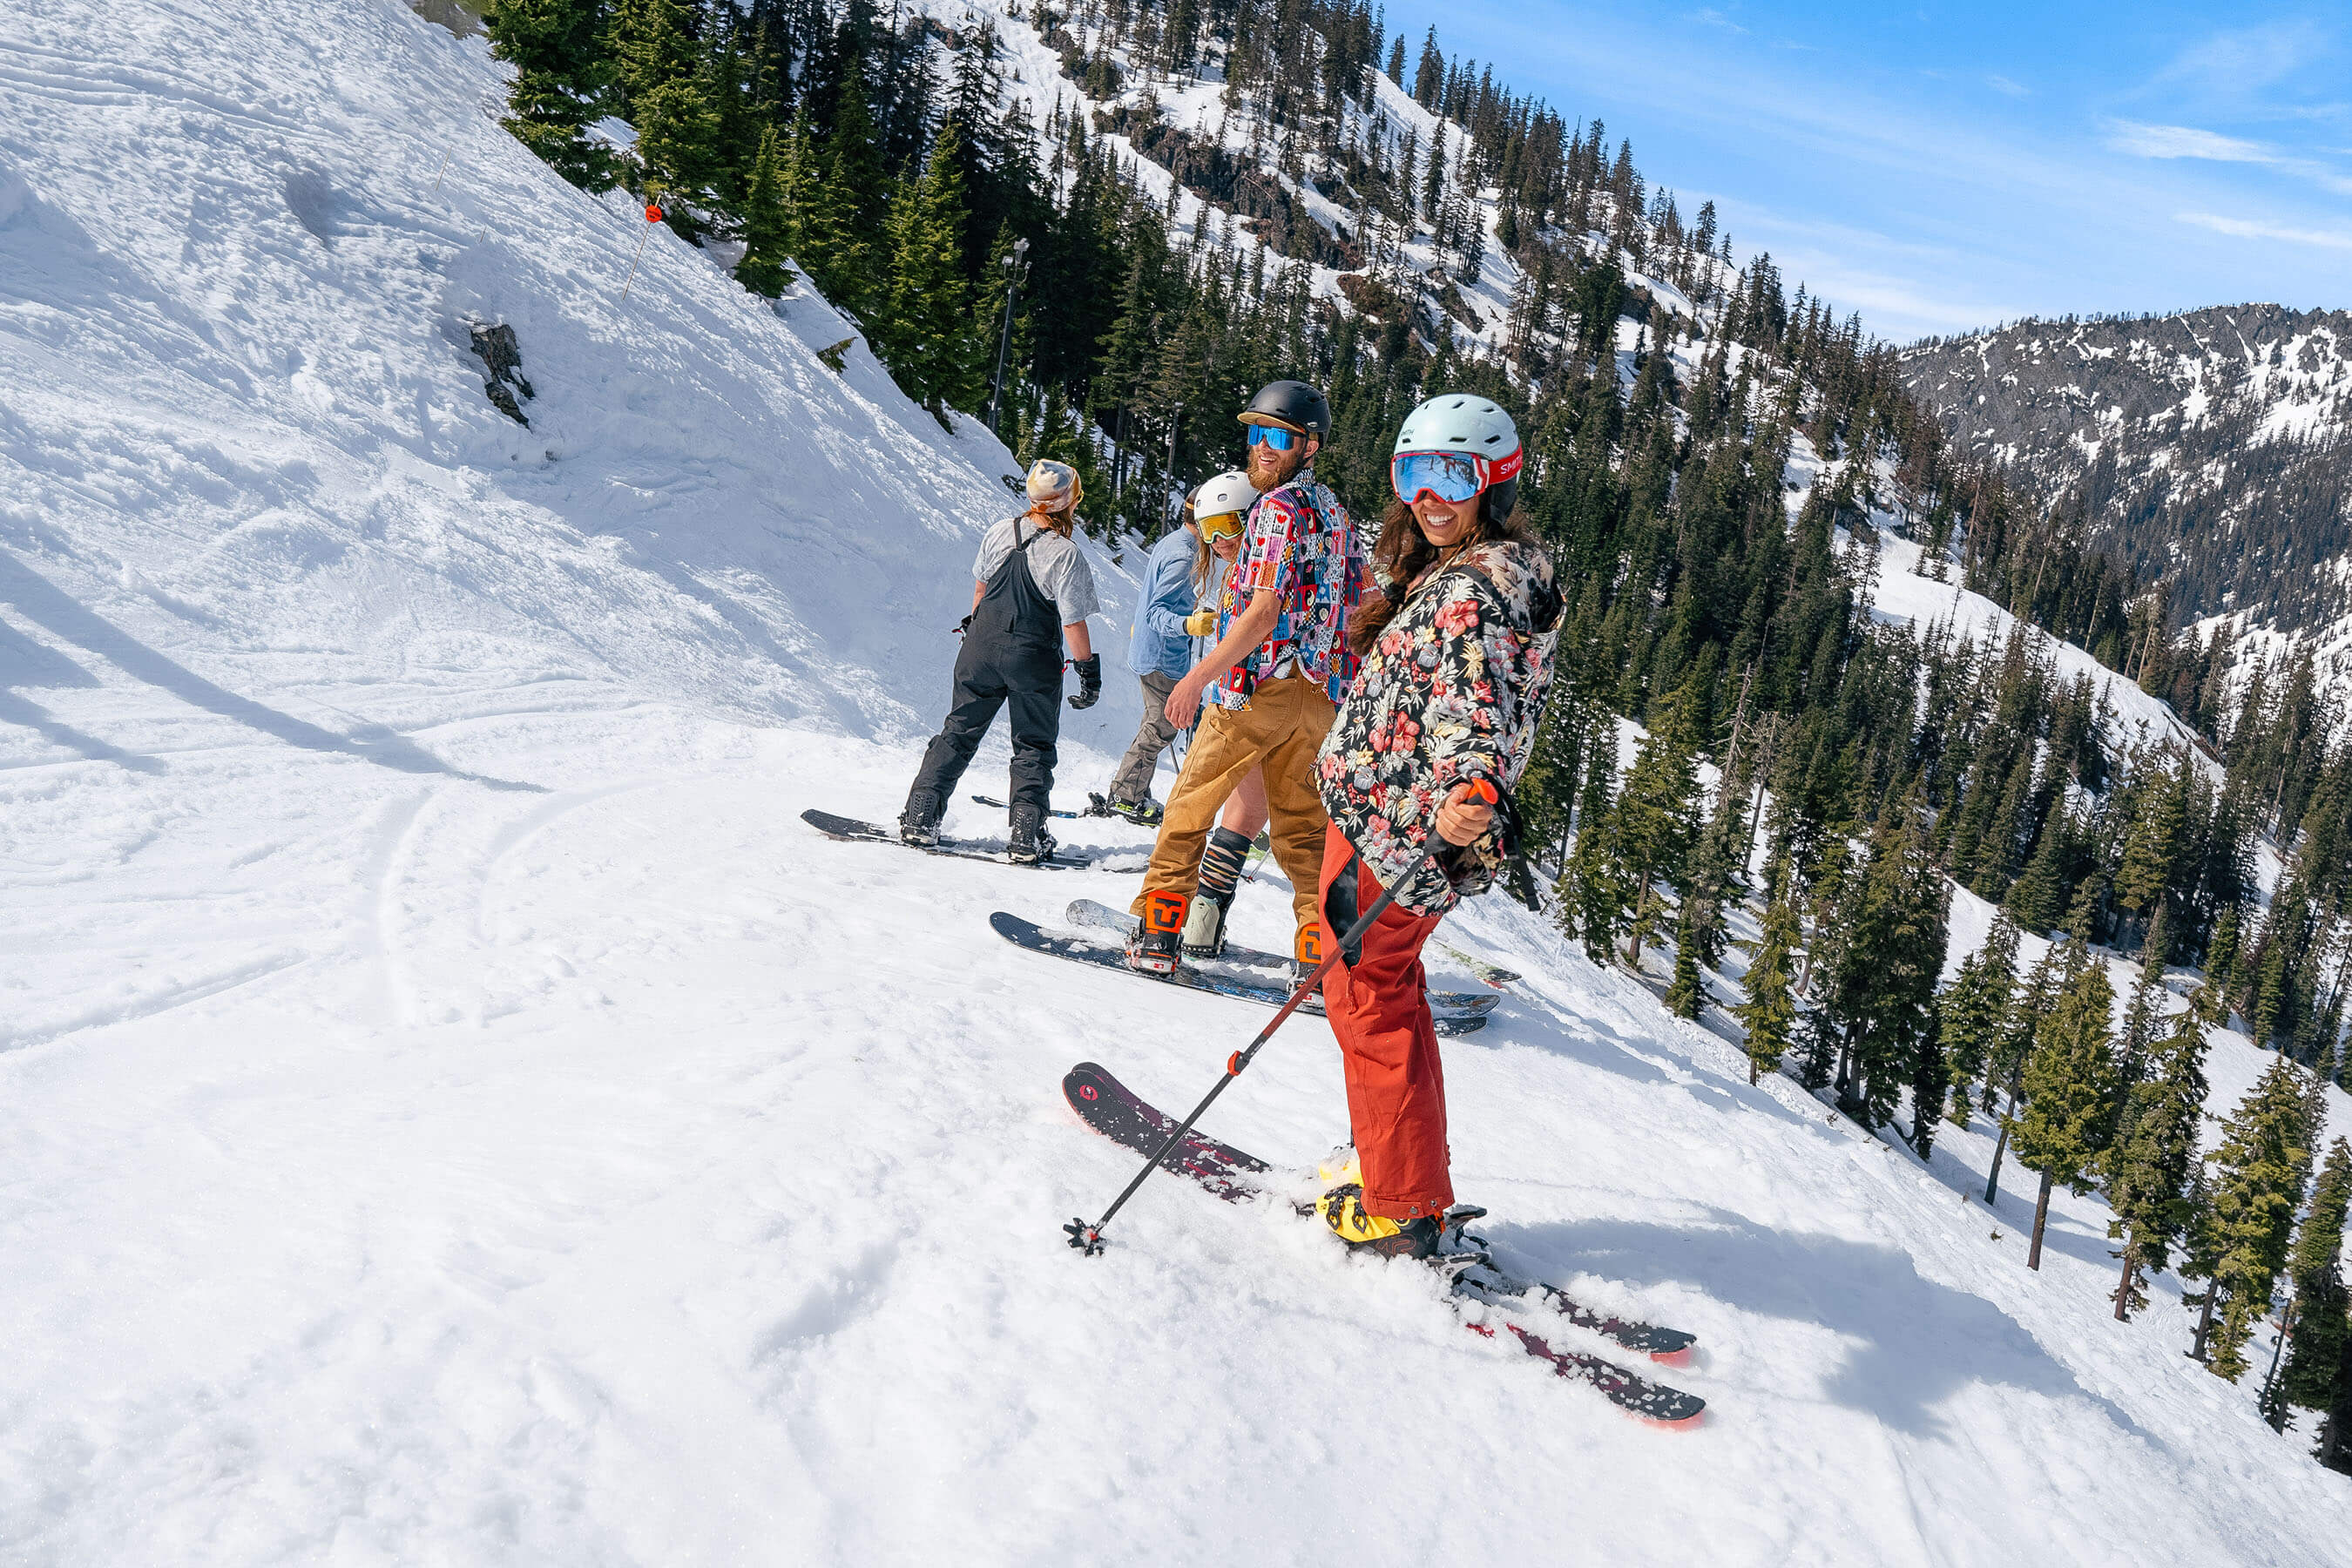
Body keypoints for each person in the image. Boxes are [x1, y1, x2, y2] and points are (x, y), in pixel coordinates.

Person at [1310, 394, 1563, 1258]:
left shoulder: (1470, 595)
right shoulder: (1479, 571)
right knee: (1389, 987)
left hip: (1398, 835)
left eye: (1452, 474)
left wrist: (1470, 782)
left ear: (1491, 480)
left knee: (1363, 996)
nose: (1430, 493)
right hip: (1410, 833)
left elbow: (1471, 699)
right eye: (1413, 472)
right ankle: (1402, 1171)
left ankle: (1397, 1210)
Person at [1126, 380, 1362, 976]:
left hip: (1257, 691)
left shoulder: (1273, 511)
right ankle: (1319, 958)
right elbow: (1363, 601)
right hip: (1318, 698)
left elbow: (1262, 613)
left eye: (1278, 438)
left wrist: (1197, 678)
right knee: (1305, 834)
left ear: (1310, 446)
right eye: (1257, 434)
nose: (1262, 447)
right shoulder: (1335, 512)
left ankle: (1159, 935)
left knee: (1188, 807)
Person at [901, 460, 1102, 863]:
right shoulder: (1065, 554)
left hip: (979, 647)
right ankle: (1026, 834)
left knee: (958, 730)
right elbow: (1072, 621)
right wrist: (1088, 671)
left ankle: (920, 816)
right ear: (1069, 503)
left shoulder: (1000, 532)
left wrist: (976, 630)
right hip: (1031, 656)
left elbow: (981, 587)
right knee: (1032, 744)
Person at [1104, 470, 1260, 826]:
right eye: (1212, 526)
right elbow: (1158, 610)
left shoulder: (1176, 542)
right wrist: (1187, 624)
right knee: (1161, 726)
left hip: (1156, 650)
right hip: (1163, 656)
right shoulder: (1183, 554)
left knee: (1164, 723)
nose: (1217, 538)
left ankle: (1131, 792)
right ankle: (1126, 794)